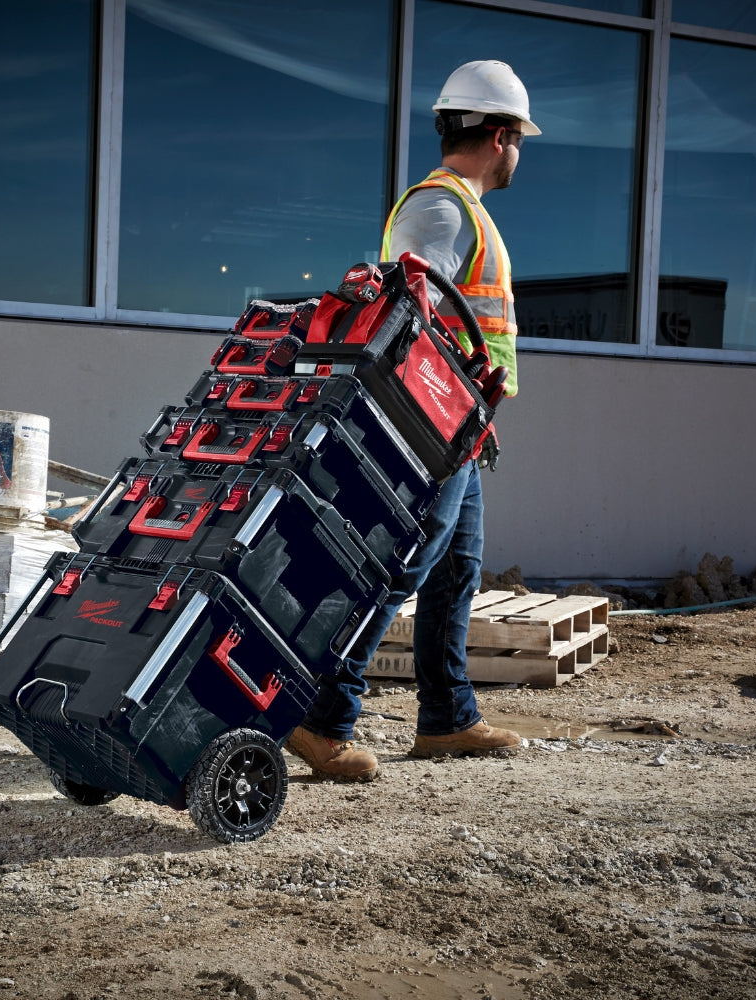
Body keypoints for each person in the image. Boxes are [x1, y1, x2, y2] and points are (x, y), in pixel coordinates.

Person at [286, 60, 539, 781]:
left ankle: (447, 719)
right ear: (498, 135)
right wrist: (431, 428)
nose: (520, 151)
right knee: (400, 571)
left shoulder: (461, 208)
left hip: (462, 427)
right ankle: (322, 720)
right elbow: (411, 320)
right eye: (519, 136)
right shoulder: (442, 208)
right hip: (436, 429)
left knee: (456, 569)